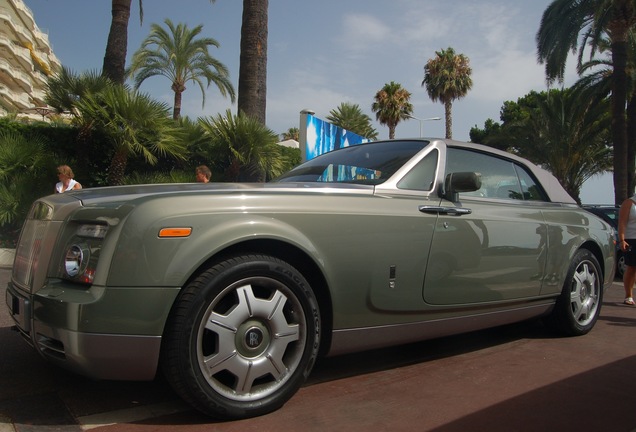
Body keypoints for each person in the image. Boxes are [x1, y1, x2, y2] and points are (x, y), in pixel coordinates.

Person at [618, 195, 636, 305]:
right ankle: (628, 295)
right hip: (632, 239)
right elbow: (622, 222)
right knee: (632, 267)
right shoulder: (629, 203)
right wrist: (622, 239)